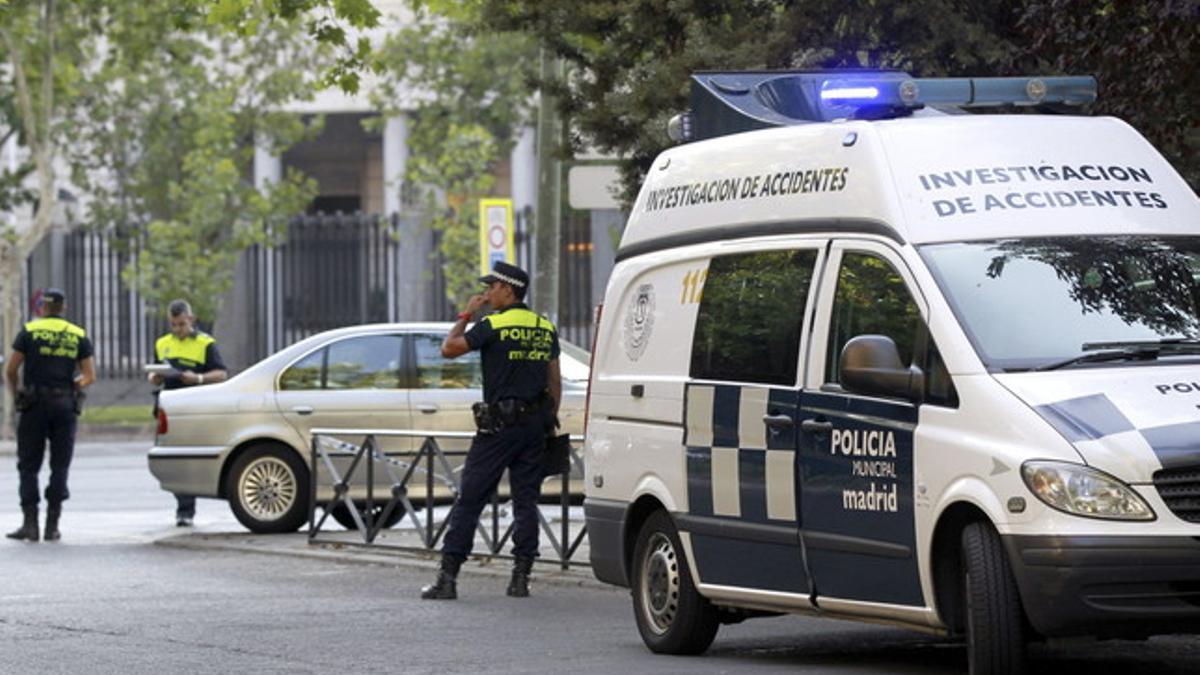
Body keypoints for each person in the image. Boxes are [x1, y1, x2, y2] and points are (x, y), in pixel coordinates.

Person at [421, 261, 561, 600]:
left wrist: (466, 314)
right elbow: (554, 382)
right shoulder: (544, 327)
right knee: (526, 502)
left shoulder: (493, 325)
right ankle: (521, 579)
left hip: (498, 428)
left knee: (470, 498)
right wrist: (546, 421)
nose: (487, 293)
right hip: (533, 428)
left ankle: (448, 578)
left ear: (509, 290)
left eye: (493, 287)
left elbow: (448, 349)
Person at [5, 288, 96, 542]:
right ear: (63, 308)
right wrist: (72, 386)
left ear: (42, 307)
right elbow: (90, 376)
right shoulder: (77, 334)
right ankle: (52, 525)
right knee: (60, 464)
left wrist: (17, 393)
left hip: (34, 405)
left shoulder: (30, 331)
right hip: (64, 405)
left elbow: (11, 369)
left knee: (28, 465)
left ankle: (30, 524)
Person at [148, 299, 227, 526]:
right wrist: (154, 377)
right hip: (168, 404)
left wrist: (198, 378)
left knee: (190, 457)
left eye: (181, 324)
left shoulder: (205, 343)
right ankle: (183, 506)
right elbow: (154, 372)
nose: (177, 329)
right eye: (173, 324)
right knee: (173, 458)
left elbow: (221, 373)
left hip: (195, 405)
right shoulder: (163, 343)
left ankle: (186, 508)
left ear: (190, 320)